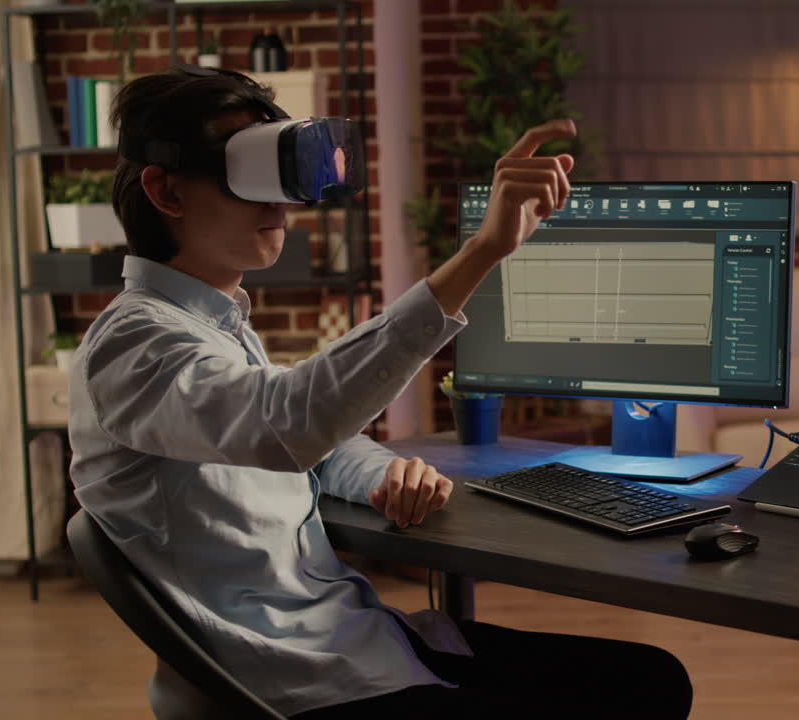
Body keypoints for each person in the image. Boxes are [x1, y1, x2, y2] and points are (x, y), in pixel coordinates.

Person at [67, 66, 692, 719]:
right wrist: (482, 251)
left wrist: (382, 474)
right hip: (303, 684)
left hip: (356, 640)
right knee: (640, 694)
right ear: (166, 192)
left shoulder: (210, 327)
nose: (279, 203)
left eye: (279, 175)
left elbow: (303, 440)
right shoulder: (135, 349)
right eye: (243, 173)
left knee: (651, 679)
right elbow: (286, 424)